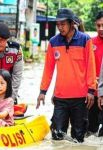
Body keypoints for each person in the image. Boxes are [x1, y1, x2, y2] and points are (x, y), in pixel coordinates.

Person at [36, 8, 96, 143]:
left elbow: (90, 67)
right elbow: (48, 69)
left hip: (81, 99)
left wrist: (91, 90)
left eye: (63, 24)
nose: (60, 27)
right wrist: (42, 91)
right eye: (58, 24)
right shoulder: (53, 42)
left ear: (71, 23)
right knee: (57, 137)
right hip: (60, 98)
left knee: (78, 138)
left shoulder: (85, 40)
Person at [95, 11, 103, 137]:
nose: (101, 29)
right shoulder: (89, 43)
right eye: (98, 25)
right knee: (90, 133)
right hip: (92, 95)